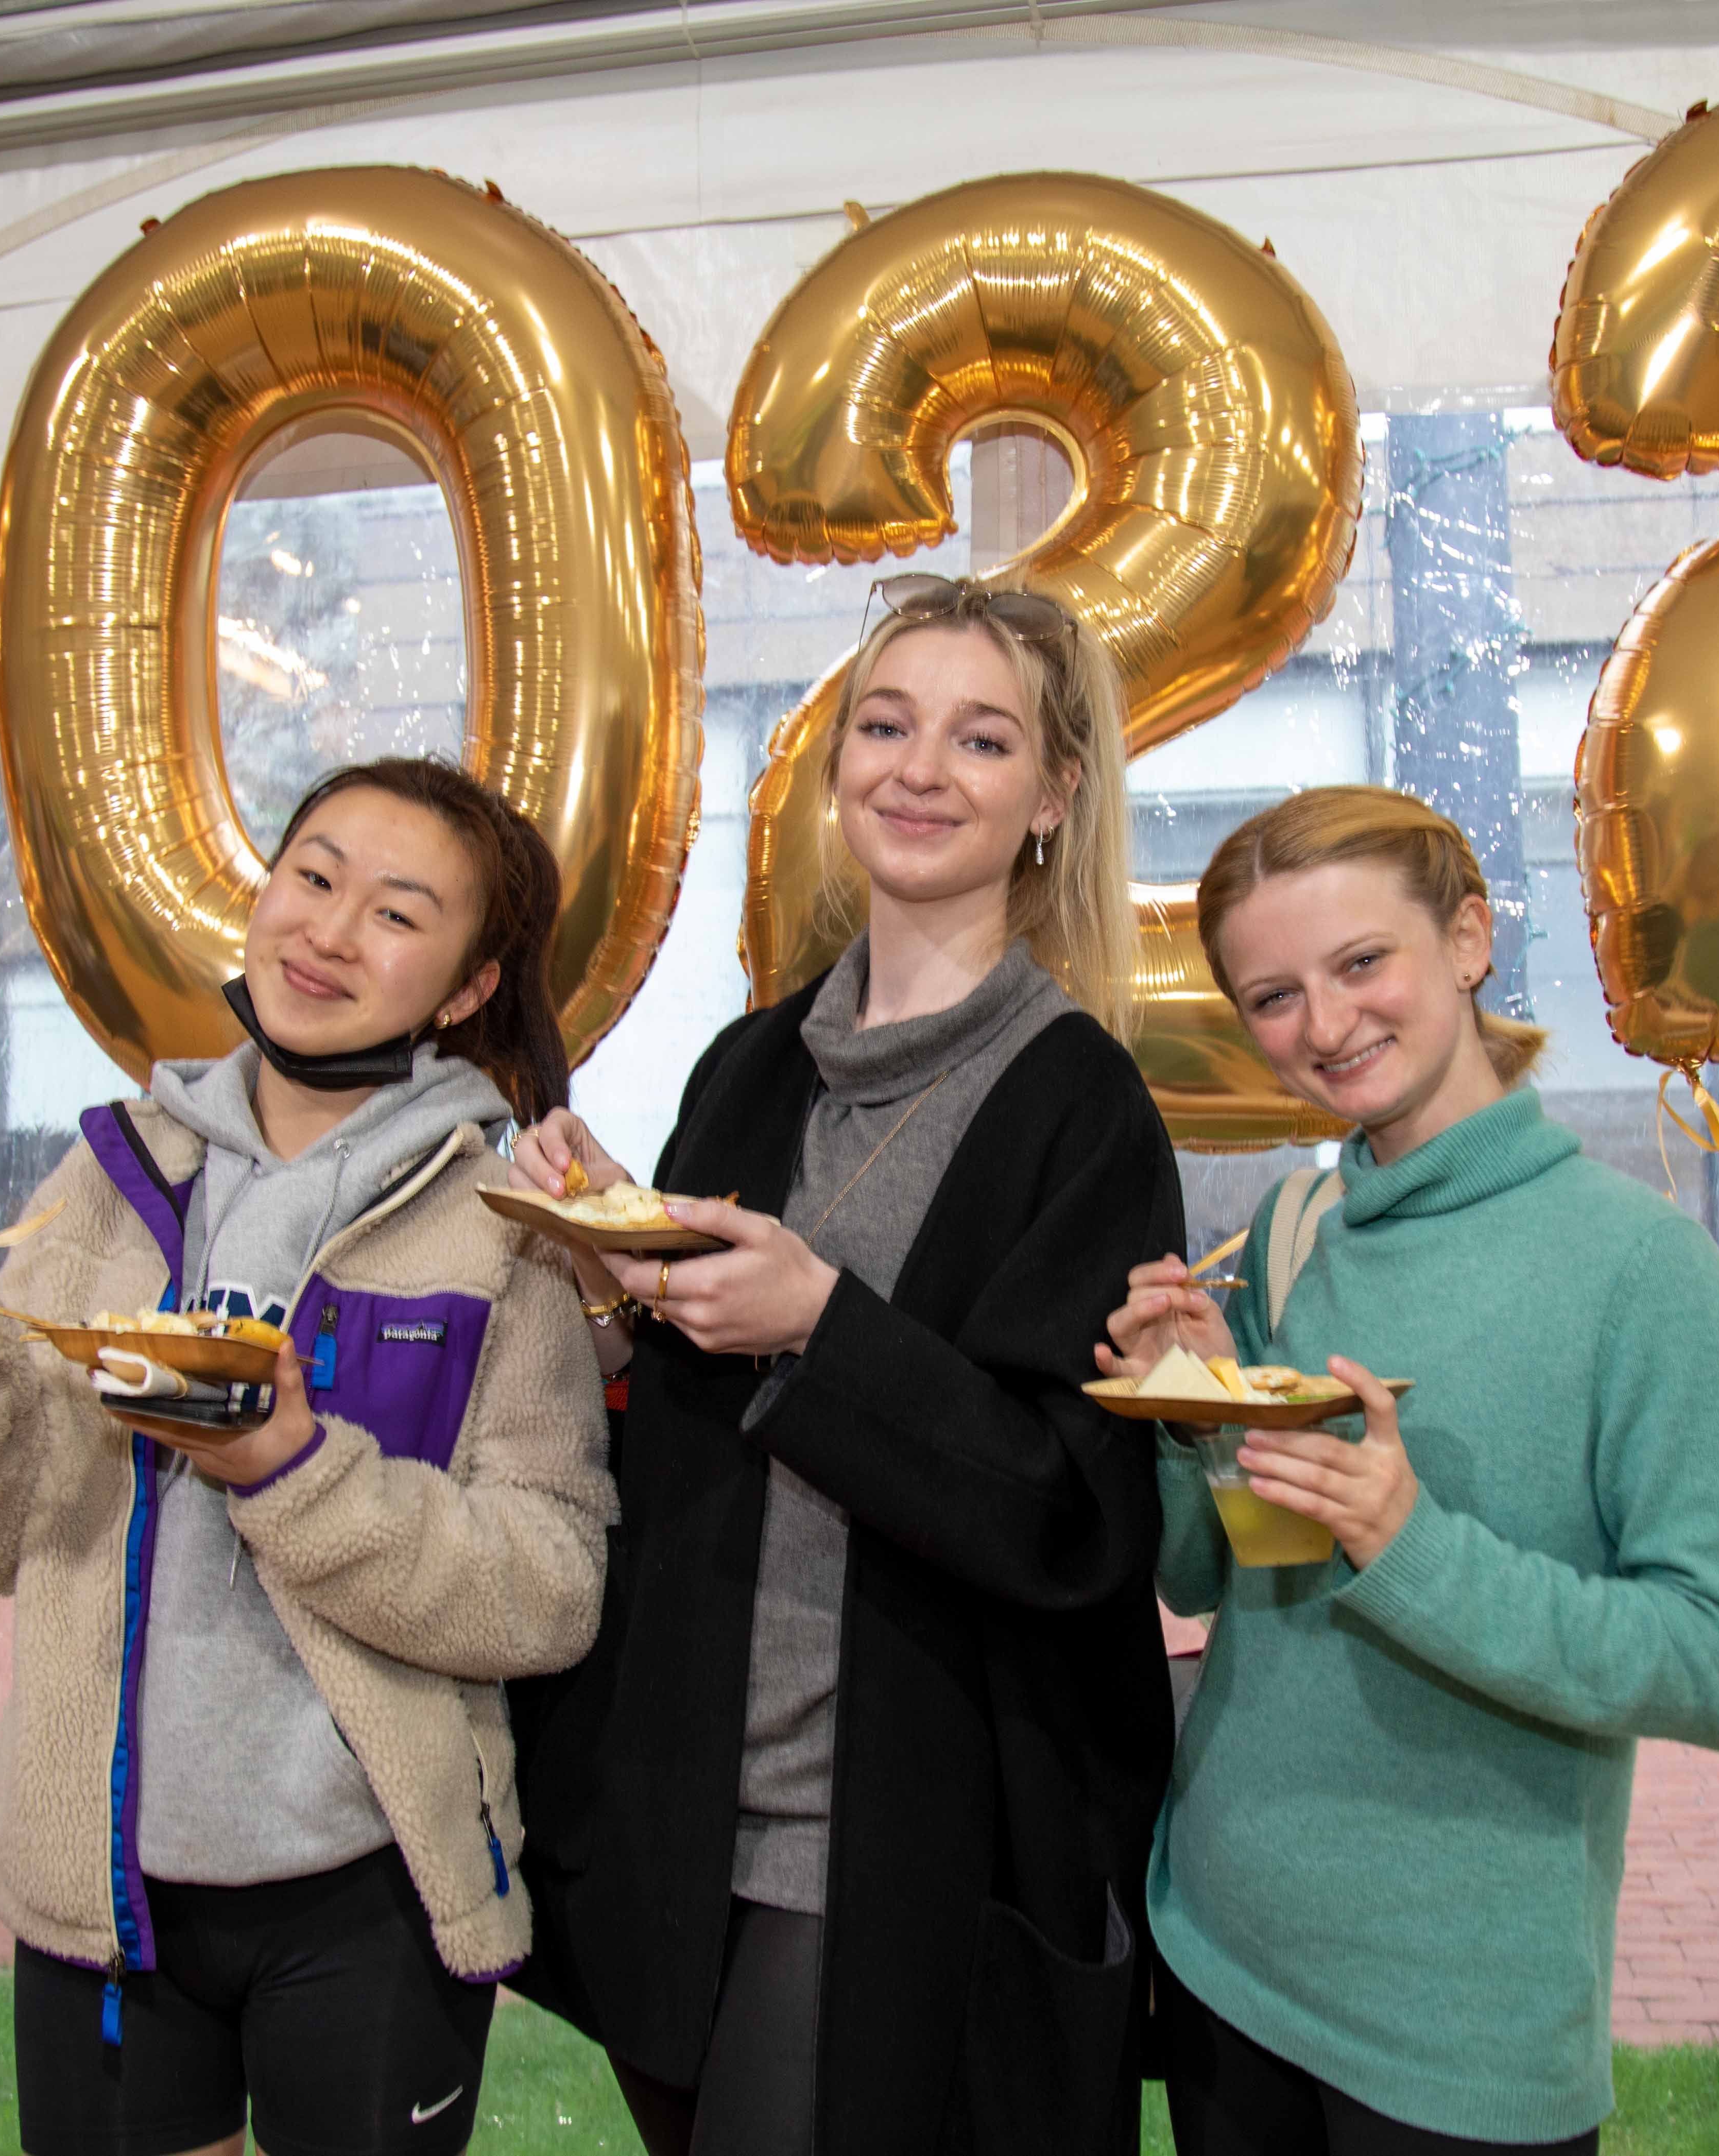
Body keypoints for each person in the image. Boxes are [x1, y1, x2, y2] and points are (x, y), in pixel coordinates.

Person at [0, 757, 616, 2156]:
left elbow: (549, 1586)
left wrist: (292, 1469)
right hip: (100, 1885)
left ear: (467, 986)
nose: (325, 930)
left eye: (395, 911)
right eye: (311, 877)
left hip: (367, 1883)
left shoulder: (502, 1224)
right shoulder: (114, 1177)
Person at [505, 575, 1183, 2156]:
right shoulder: (748, 1064)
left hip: (881, 1837)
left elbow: (1069, 1516)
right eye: (885, 724)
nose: (919, 768)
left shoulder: (1079, 1110)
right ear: (834, 769)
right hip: (676, 1821)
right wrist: (619, 1284)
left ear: (1052, 798)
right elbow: (676, 1421)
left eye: (980, 737)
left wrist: (827, 1320)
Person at [1101, 786, 1719, 2156]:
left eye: (1364, 962)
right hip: (1226, 1956)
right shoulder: (1306, 1232)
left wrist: (1412, 1545)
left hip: (1466, 2032)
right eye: (1275, 995)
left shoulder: (1643, 1274)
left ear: (1469, 938)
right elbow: (1224, 1570)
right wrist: (1196, 1410)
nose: (1328, 1023)